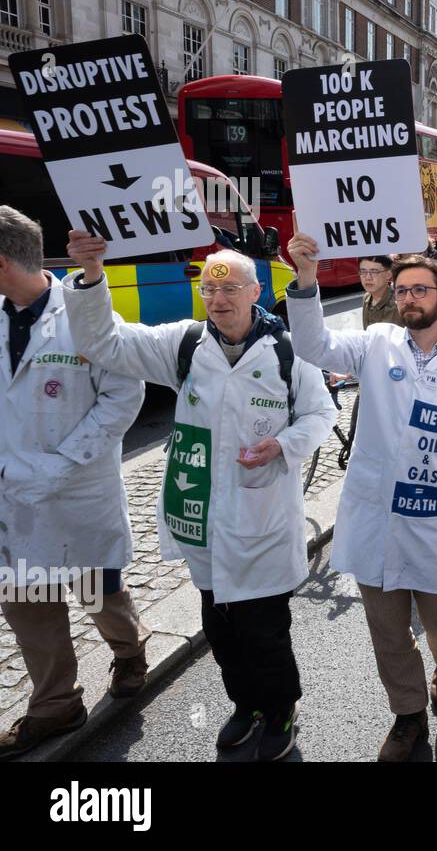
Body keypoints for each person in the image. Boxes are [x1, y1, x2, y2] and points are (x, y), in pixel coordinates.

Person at [62, 232, 335, 761]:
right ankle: (245, 704)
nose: (218, 299)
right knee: (219, 624)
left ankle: (280, 708)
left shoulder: (287, 351)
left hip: (262, 518)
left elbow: (321, 414)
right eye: (210, 290)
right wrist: (94, 274)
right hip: (202, 516)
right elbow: (106, 344)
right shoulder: (184, 344)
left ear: (256, 291)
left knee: (264, 629)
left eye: (230, 287)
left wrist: (282, 443)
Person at [285, 238, 437, 760]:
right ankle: (408, 718)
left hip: (434, 524)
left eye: (420, 290)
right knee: (387, 630)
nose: (409, 299)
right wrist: (307, 279)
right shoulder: (375, 343)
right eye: (402, 290)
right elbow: (313, 346)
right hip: (372, 517)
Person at [0, 207, 148, 760]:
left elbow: (124, 396)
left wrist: (61, 463)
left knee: (97, 591)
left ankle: (129, 651)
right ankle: (55, 704)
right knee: (28, 601)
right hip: (13, 497)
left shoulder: (84, 313)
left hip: (75, 489)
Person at [359, 255, 400, 329]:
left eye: (374, 271)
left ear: (388, 274)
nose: (368, 277)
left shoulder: (399, 302)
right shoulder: (366, 298)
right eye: (363, 271)